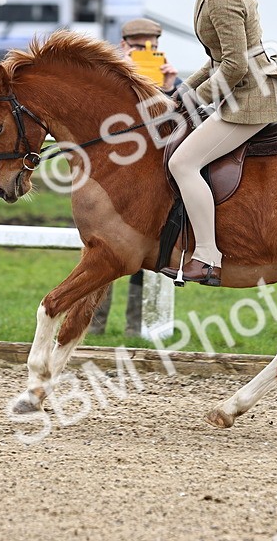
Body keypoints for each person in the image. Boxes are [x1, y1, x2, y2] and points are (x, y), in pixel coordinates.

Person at [159, 0, 277, 287]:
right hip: (240, 89)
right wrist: (180, 93)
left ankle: (208, 258)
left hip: (251, 99)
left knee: (182, 164)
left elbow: (234, 67)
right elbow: (214, 59)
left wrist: (197, 99)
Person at [89, 17, 181, 335]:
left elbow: (173, 127)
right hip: (112, 179)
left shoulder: (165, 81)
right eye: (141, 47)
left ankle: (135, 329)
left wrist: (168, 89)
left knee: (144, 248)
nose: (148, 52)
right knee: (103, 249)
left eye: (153, 47)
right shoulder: (105, 82)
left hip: (147, 178)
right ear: (125, 46)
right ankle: (94, 326)